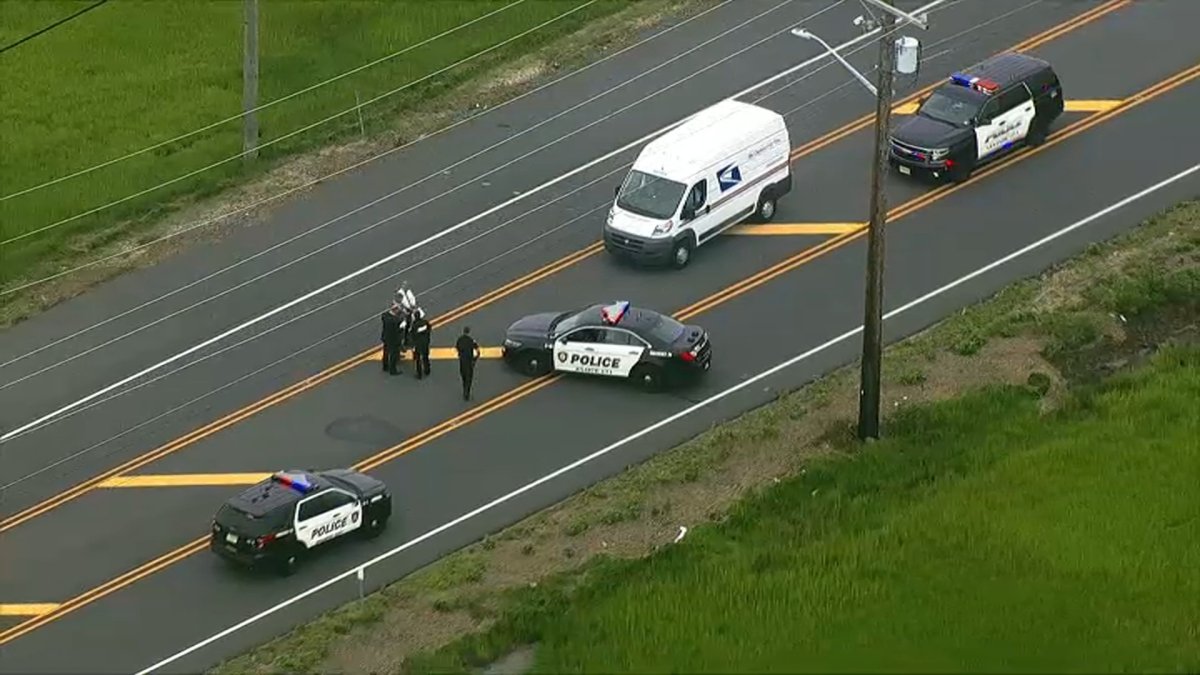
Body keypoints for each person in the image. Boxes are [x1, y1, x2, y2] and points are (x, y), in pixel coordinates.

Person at [455, 326, 480, 401]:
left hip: (462, 361)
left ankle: (464, 387)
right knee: (469, 377)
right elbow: (477, 349)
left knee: (463, 375)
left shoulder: (460, 339)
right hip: (469, 361)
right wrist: (475, 358)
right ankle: (466, 392)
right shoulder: (471, 340)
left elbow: (457, 347)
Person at [380, 303, 404, 375]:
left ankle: (385, 366)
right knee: (393, 354)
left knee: (386, 352)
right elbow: (398, 330)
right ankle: (393, 370)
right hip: (394, 339)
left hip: (385, 337)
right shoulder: (396, 321)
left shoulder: (385, 316)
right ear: (395, 310)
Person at [410, 308, 432, 380]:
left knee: (418, 359)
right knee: (425, 357)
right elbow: (429, 329)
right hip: (425, 343)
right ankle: (427, 370)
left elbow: (412, 335)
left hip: (418, 344)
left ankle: (419, 374)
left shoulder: (414, 325)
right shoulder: (425, 322)